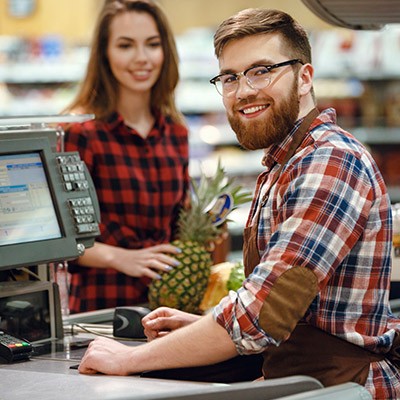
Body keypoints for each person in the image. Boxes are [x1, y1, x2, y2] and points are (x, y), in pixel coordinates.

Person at [77, 8, 400, 398]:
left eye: (262, 70)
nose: (244, 90)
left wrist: (128, 360)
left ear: (305, 77)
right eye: (230, 77)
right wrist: (201, 327)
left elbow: (261, 314)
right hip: (304, 378)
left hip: (343, 388)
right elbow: (265, 300)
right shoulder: (285, 164)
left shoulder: (329, 162)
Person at [63, 0, 189, 313]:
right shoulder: (80, 133)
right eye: (125, 45)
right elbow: (64, 239)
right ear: (104, 54)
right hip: (101, 312)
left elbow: (178, 226)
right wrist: (122, 257)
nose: (142, 58)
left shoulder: (176, 132)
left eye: (152, 44)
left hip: (167, 306)